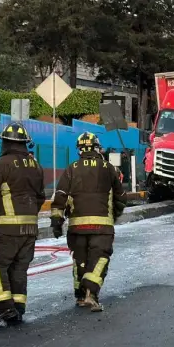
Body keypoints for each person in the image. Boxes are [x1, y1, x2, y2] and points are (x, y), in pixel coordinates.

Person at [50, 132, 127, 312]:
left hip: (77, 226)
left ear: (79, 149)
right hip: (102, 226)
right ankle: (91, 292)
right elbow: (121, 197)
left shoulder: (72, 169)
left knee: (80, 261)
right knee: (100, 258)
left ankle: (80, 295)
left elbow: (60, 198)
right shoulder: (109, 168)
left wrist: (56, 223)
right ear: (97, 148)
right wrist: (114, 215)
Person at [0, 122, 45, 326]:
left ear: (6, 143)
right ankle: (17, 308)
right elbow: (41, 197)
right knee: (18, 269)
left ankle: (3, 309)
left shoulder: (1, 165)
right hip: (30, 230)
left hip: (6, 230)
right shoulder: (36, 166)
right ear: (25, 143)